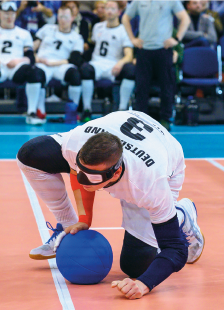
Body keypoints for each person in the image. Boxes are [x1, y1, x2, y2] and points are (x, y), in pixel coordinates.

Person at [17, 110, 205, 299]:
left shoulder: (148, 185)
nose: (82, 180)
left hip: (164, 153)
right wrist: (84, 219)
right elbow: (77, 171)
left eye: (91, 176)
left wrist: (144, 284)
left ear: (115, 174)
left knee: (136, 267)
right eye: (80, 170)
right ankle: (66, 225)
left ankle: (180, 214)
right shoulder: (75, 142)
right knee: (31, 154)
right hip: (121, 126)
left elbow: (176, 249)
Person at [121, 0, 191, 132]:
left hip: (163, 49)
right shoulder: (139, 1)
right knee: (141, 86)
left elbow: (185, 19)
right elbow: (125, 17)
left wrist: (176, 39)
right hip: (144, 49)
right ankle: (140, 119)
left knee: (166, 86)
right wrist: (132, 39)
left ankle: (165, 119)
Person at [24, 5, 84, 125]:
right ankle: (33, 111)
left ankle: (73, 112)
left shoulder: (76, 37)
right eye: (60, 16)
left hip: (61, 65)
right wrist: (35, 57)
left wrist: (53, 63)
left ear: (72, 18)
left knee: (75, 75)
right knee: (35, 74)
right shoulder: (47, 29)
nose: (62, 20)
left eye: (66, 17)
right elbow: (32, 47)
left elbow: (75, 60)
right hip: (42, 63)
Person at [79, 0, 135, 122]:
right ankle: (87, 109)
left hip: (114, 65)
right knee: (85, 69)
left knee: (131, 70)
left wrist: (120, 63)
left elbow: (129, 55)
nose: (109, 11)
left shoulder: (123, 30)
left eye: (113, 9)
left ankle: (122, 110)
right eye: (107, 8)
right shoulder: (97, 27)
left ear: (119, 12)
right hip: (97, 63)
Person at [0, 2, 36, 89]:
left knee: (35, 73)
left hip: (17, 66)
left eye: (12, 14)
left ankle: (32, 103)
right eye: (6, 14)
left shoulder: (24, 33)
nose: (9, 17)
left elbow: (31, 57)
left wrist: (18, 61)